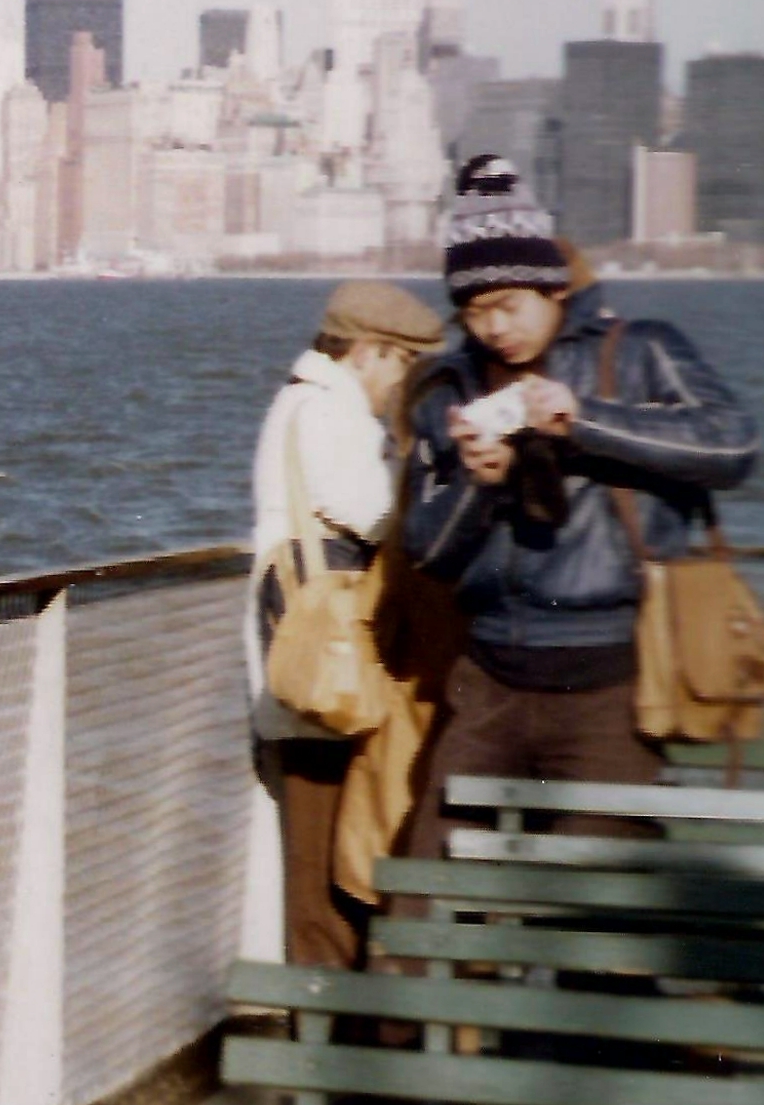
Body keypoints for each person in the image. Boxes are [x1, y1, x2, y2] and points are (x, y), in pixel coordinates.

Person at [400, 154, 757, 851]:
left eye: (509, 305)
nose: (493, 328)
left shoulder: (638, 352)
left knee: (596, 896)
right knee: (435, 883)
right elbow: (428, 551)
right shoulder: (449, 387)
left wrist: (584, 421)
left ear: (555, 287)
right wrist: (477, 481)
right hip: (489, 679)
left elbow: (733, 446)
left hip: (613, 681)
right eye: (474, 312)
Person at [248, 279, 444, 967]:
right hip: (325, 674)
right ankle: (327, 1012)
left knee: (320, 845)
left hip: (308, 665)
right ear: (367, 352)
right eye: (402, 364)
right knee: (324, 853)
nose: (401, 384)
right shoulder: (331, 413)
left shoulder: (301, 402)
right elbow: (382, 518)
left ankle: (329, 1008)